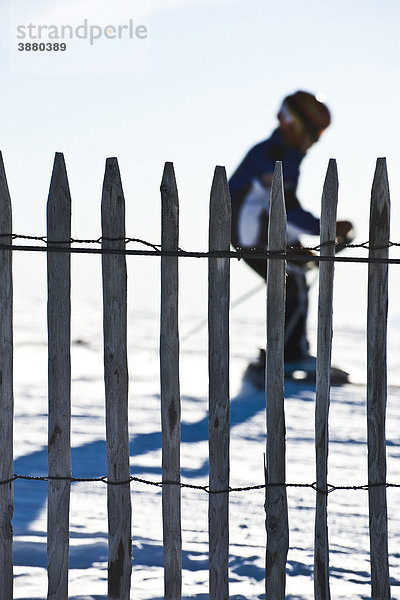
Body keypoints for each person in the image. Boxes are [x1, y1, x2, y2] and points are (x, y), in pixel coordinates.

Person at [228, 90, 354, 384]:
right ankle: (286, 356)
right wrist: (327, 228)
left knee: (293, 280)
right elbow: (286, 208)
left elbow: (279, 208)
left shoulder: (280, 152)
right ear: (297, 125)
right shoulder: (276, 155)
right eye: (315, 132)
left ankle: (288, 352)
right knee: (293, 282)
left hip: (259, 231)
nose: (317, 140)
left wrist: (297, 242)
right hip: (252, 235)